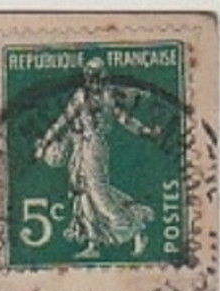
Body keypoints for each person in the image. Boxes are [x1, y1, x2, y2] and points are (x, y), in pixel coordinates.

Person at [33, 56, 161, 259]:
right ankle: (93, 244)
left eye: (98, 77)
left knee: (98, 194)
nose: (94, 81)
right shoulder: (80, 97)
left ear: (103, 77)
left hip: (95, 148)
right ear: (86, 77)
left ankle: (135, 227)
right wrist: (46, 143)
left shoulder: (109, 97)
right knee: (82, 193)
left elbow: (125, 119)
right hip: (79, 147)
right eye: (91, 77)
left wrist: (146, 132)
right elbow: (63, 121)